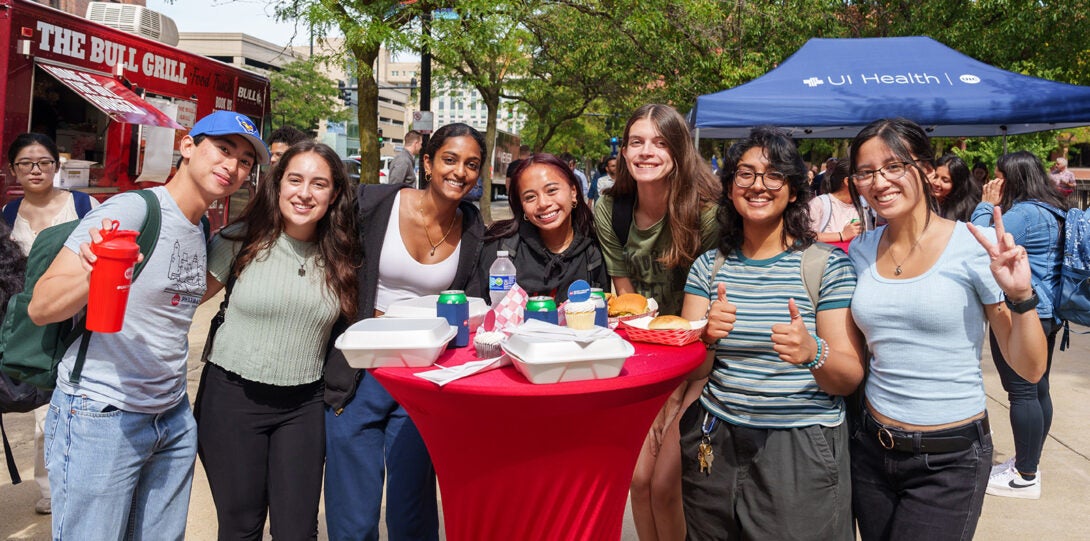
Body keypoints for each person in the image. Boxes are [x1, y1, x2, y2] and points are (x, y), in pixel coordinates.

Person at [26, 110, 267, 537]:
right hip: (101, 412)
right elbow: (42, 306)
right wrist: (95, 273)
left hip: (171, 416)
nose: (233, 165)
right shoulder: (134, 209)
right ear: (188, 147)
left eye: (246, 160)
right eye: (223, 149)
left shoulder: (201, 228)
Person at [845, 118, 1047, 540]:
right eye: (866, 172)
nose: (879, 181)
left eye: (893, 166)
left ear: (924, 168)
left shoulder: (973, 244)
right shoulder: (860, 251)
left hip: (950, 459)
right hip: (871, 451)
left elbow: (1028, 368)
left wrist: (1022, 295)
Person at [679, 126, 864, 540]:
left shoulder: (826, 266)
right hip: (715, 440)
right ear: (729, 189)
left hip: (799, 448)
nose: (758, 185)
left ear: (794, 191)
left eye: (774, 174)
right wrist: (706, 337)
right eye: (745, 174)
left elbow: (849, 376)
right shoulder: (709, 267)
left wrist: (812, 351)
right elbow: (693, 372)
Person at [323, 123, 487, 541]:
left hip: (421, 377)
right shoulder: (374, 204)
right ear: (428, 163)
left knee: (412, 511)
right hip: (360, 372)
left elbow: (470, 304)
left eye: (471, 164)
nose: (459, 172)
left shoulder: (472, 227)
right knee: (353, 518)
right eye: (450, 160)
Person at [195, 140, 359, 538]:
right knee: (240, 526)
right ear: (277, 184)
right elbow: (180, 301)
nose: (304, 193)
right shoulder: (239, 241)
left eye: (319, 184)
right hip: (231, 400)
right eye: (295, 180)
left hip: (303, 406)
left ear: (334, 193)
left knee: (297, 529)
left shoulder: (345, 254)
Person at [593, 103, 720, 541]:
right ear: (624, 151)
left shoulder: (706, 214)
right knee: (638, 480)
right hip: (648, 361)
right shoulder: (610, 209)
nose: (646, 152)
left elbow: (706, 316)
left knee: (665, 484)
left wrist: (680, 388)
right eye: (636, 142)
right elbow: (628, 305)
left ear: (680, 150)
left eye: (660, 142)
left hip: (701, 362)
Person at [2, 132, 100, 516]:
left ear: (56, 167)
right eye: (26, 163)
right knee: (39, 400)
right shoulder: (8, 215)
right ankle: (50, 488)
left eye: (43, 162)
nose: (35, 170)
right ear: (13, 170)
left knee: (63, 403)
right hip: (31, 322)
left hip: (78, 316)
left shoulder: (82, 204)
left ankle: (65, 483)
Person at [972, 150, 1068, 500]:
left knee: (1023, 390)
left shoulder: (1024, 213)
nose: (993, 183)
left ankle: (1025, 475)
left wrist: (986, 204)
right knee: (1038, 388)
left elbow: (979, 241)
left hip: (1025, 310)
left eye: (997, 178)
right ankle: (1029, 461)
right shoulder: (1054, 206)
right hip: (1049, 311)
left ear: (1011, 180)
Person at [479, 153, 608, 304]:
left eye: (552, 190)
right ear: (522, 206)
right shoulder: (500, 248)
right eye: (530, 197)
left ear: (573, 192)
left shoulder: (594, 252)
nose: (543, 203)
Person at [809, 159, 863, 252]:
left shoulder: (862, 206)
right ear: (847, 181)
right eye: (862, 176)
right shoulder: (820, 204)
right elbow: (806, 237)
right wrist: (842, 235)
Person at [932, 154, 981, 222]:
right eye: (935, 176)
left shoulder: (968, 213)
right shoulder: (921, 200)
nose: (936, 183)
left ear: (957, 185)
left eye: (945, 180)